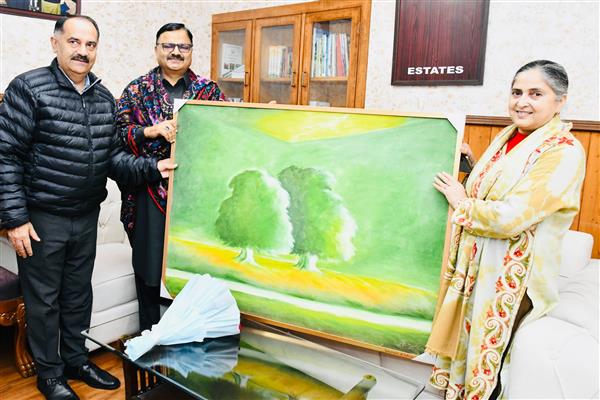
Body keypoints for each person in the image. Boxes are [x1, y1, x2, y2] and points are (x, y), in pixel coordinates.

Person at [0, 15, 176, 400]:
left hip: (85, 216)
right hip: (42, 218)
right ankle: (49, 375)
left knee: (78, 296)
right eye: (74, 42)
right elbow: (6, 155)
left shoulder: (102, 97)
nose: (82, 51)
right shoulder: (28, 88)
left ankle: (76, 360)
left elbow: (114, 158)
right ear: (56, 43)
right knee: (44, 301)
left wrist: (153, 168)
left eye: (90, 44)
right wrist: (15, 218)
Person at [427, 60, 586, 400]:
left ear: (560, 101)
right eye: (516, 92)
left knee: (488, 362)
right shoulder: (511, 137)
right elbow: (499, 187)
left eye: (535, 94)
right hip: (480, 266)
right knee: (466, 349)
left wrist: (461, 203)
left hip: (512, 278)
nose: (522, 102)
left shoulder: (563, 151)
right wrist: (470, 163)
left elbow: (512, 216)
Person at [116, 23, 226, 331]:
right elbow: (116, 136)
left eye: (183, 46)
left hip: (195, 198)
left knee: (193, 273)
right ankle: (150, 342)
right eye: (168, 46)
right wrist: (150, 131)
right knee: (150, 273)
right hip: (148, 193)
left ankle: (188, 344)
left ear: (191, 51)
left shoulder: (208, 91)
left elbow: (226, 129)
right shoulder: (137, 91)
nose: (176, 52)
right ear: (157, 49)